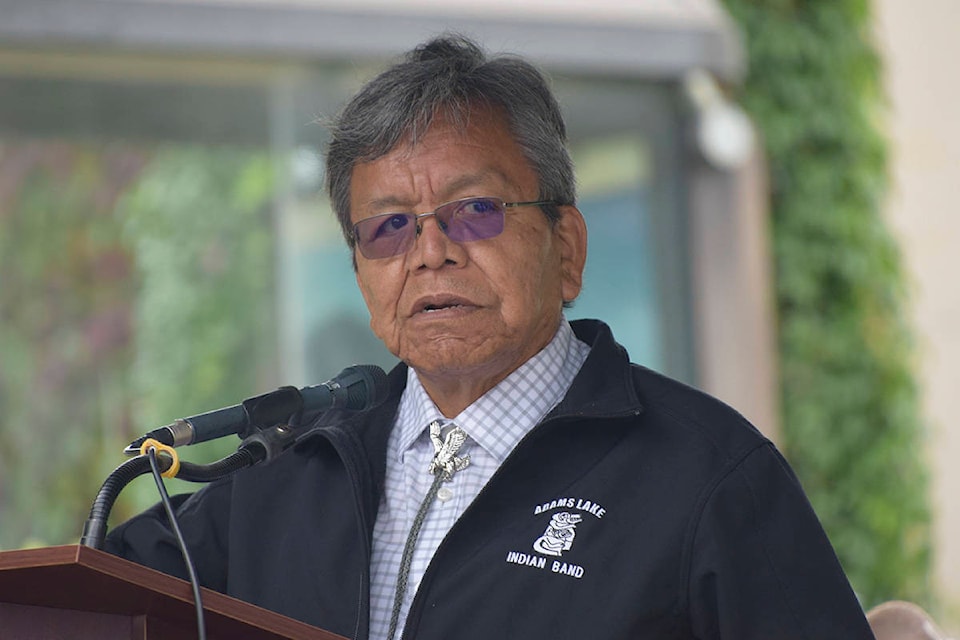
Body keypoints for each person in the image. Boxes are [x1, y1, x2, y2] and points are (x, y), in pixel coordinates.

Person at [106, 35, 876, 639]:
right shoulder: (285, 472)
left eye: (474, 211)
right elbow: (86, 607)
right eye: (389, 227)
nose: (431, 251)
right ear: (362, 272)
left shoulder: (709, 476)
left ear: (565, 247)